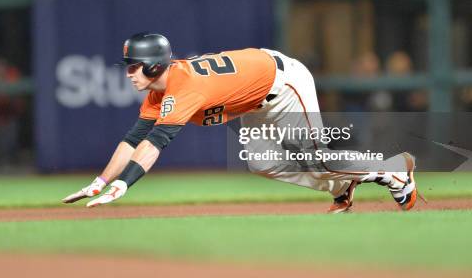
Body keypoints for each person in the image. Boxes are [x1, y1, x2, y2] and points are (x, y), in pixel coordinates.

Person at [63, 33, 420, 213]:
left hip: (284, 83)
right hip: (255, 98)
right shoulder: (159, 91)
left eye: (133, 66)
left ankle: (394, 170)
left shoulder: (183, 87)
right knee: (260, 162)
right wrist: (101, 181)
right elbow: (134, 139)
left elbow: (154, 144)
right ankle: (340, 188)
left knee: (319, 157)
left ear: (155, 65)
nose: (128, 72)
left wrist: (125, 185)